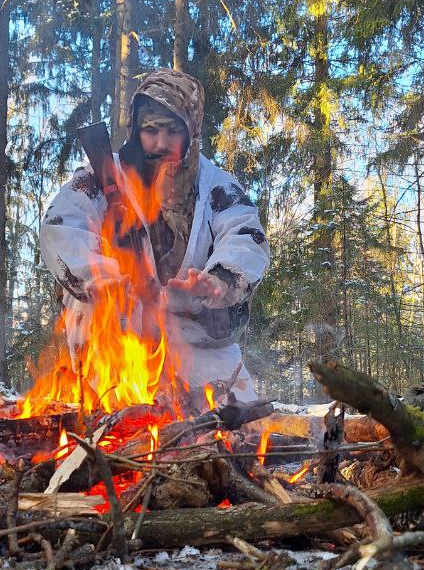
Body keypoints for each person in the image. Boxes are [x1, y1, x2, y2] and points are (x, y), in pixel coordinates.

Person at [39, 69, 270, 402]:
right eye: (151, 130)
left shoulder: (218, 186)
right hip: (116, 336)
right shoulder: (102, 176)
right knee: (112, 425)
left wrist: (217, 282)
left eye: (172, 130)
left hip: (192, 336)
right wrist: (98, 277)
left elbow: (246, 238)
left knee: (238, 424)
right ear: (136, 130)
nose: (161, 143)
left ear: (192, 130)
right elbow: (61, 226)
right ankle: (103, 406)